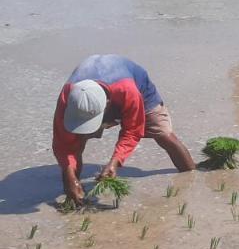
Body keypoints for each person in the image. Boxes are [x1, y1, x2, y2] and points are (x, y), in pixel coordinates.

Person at [52, 55, 196, 205]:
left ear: (107, 105)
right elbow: (63, 144)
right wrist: (68, 175)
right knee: (77, 139)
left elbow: (132, 131)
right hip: (98, 96)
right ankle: (74, 191)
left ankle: (191, 175)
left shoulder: (128, 91)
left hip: (140, 92)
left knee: (163, 134)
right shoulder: (69, 96)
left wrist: (115, 162)